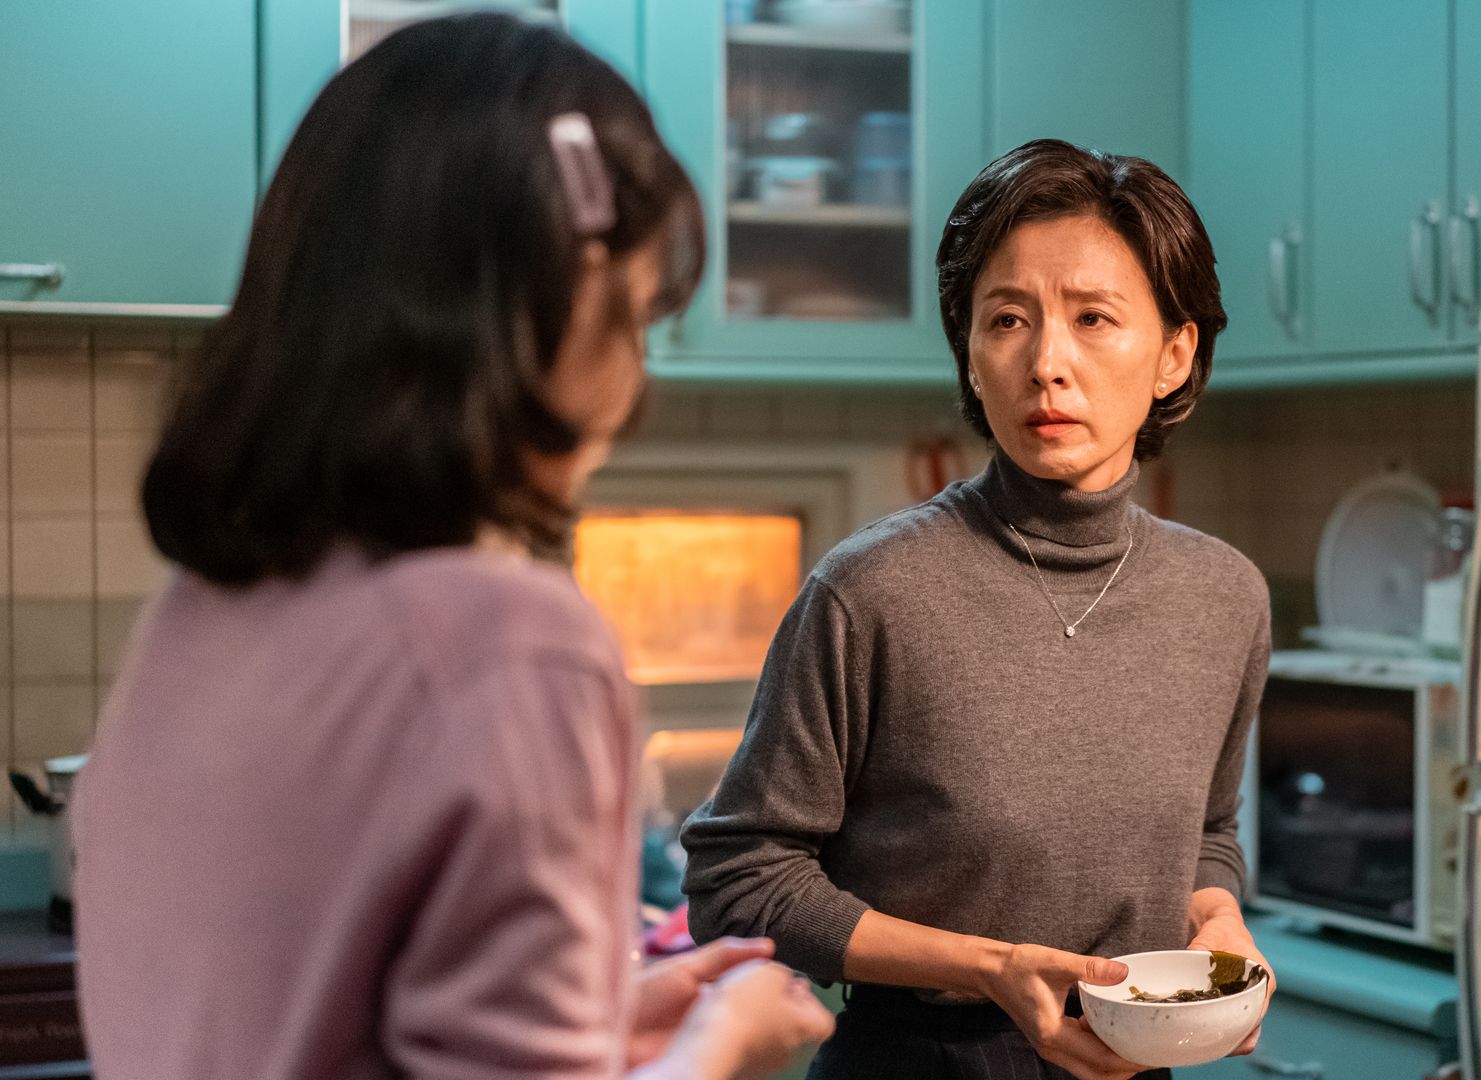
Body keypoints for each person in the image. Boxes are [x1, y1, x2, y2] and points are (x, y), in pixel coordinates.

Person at [72, 15, 833, 1079]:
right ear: (560, 302)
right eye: (639, 318)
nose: (636, 381)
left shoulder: (196, 612)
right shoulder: (514, 649)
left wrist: (601, 1023)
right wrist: (722, 1039)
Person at [680, 139, 1272, 1080]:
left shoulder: (1224, 596)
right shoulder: (871, 589)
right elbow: (737, 878)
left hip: (1135, 1058)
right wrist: (993, 969)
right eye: (1007, 319)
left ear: (1173, 353)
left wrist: (1217, 918)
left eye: (1093, 319)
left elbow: (1205, 834)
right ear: (970, 350)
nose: (1047, 363)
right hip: (917, 1059)